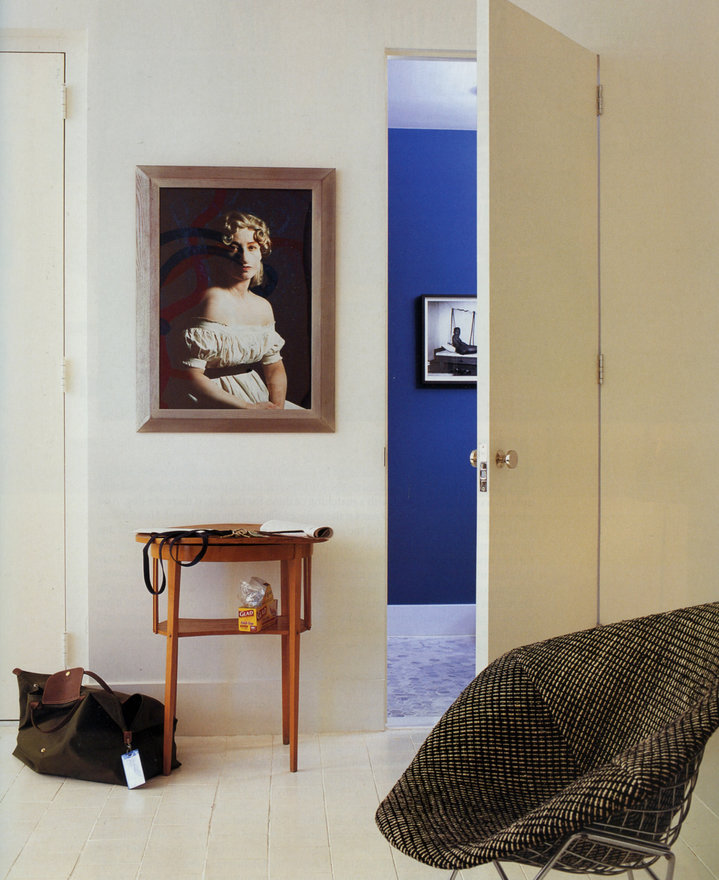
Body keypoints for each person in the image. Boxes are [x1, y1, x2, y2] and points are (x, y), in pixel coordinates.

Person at [163, 211, 300, 409]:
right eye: (234, 249)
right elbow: (191, 377)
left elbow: (274, 366)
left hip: (254, 391)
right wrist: (248, 409)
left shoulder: (263, 306)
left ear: (261, 252)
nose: (244, 257)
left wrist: (277, 409)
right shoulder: (213, 300)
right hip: (213, 398)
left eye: (252, 248)